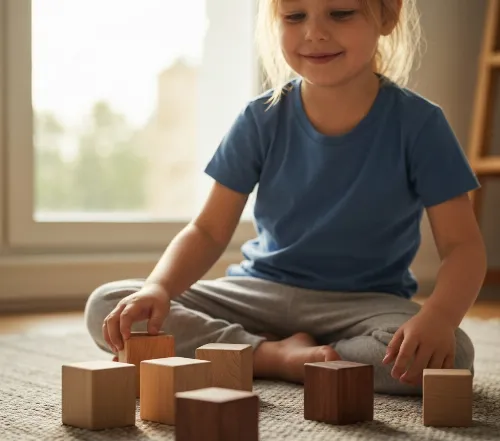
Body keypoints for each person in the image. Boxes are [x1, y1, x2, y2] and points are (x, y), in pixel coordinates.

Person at [84, 0, 486, 395]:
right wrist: (158, 288)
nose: (314, 32)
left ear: (388, 14)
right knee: (111, 303)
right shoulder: (259, 118)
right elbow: (207, 231)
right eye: (295, 16)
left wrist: (439, 316)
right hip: (260, 293)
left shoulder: (420, 124)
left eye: (341, 13)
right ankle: (275, 357)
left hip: (363, 304)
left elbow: (463, 248)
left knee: (453, 350)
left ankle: (268, 352)